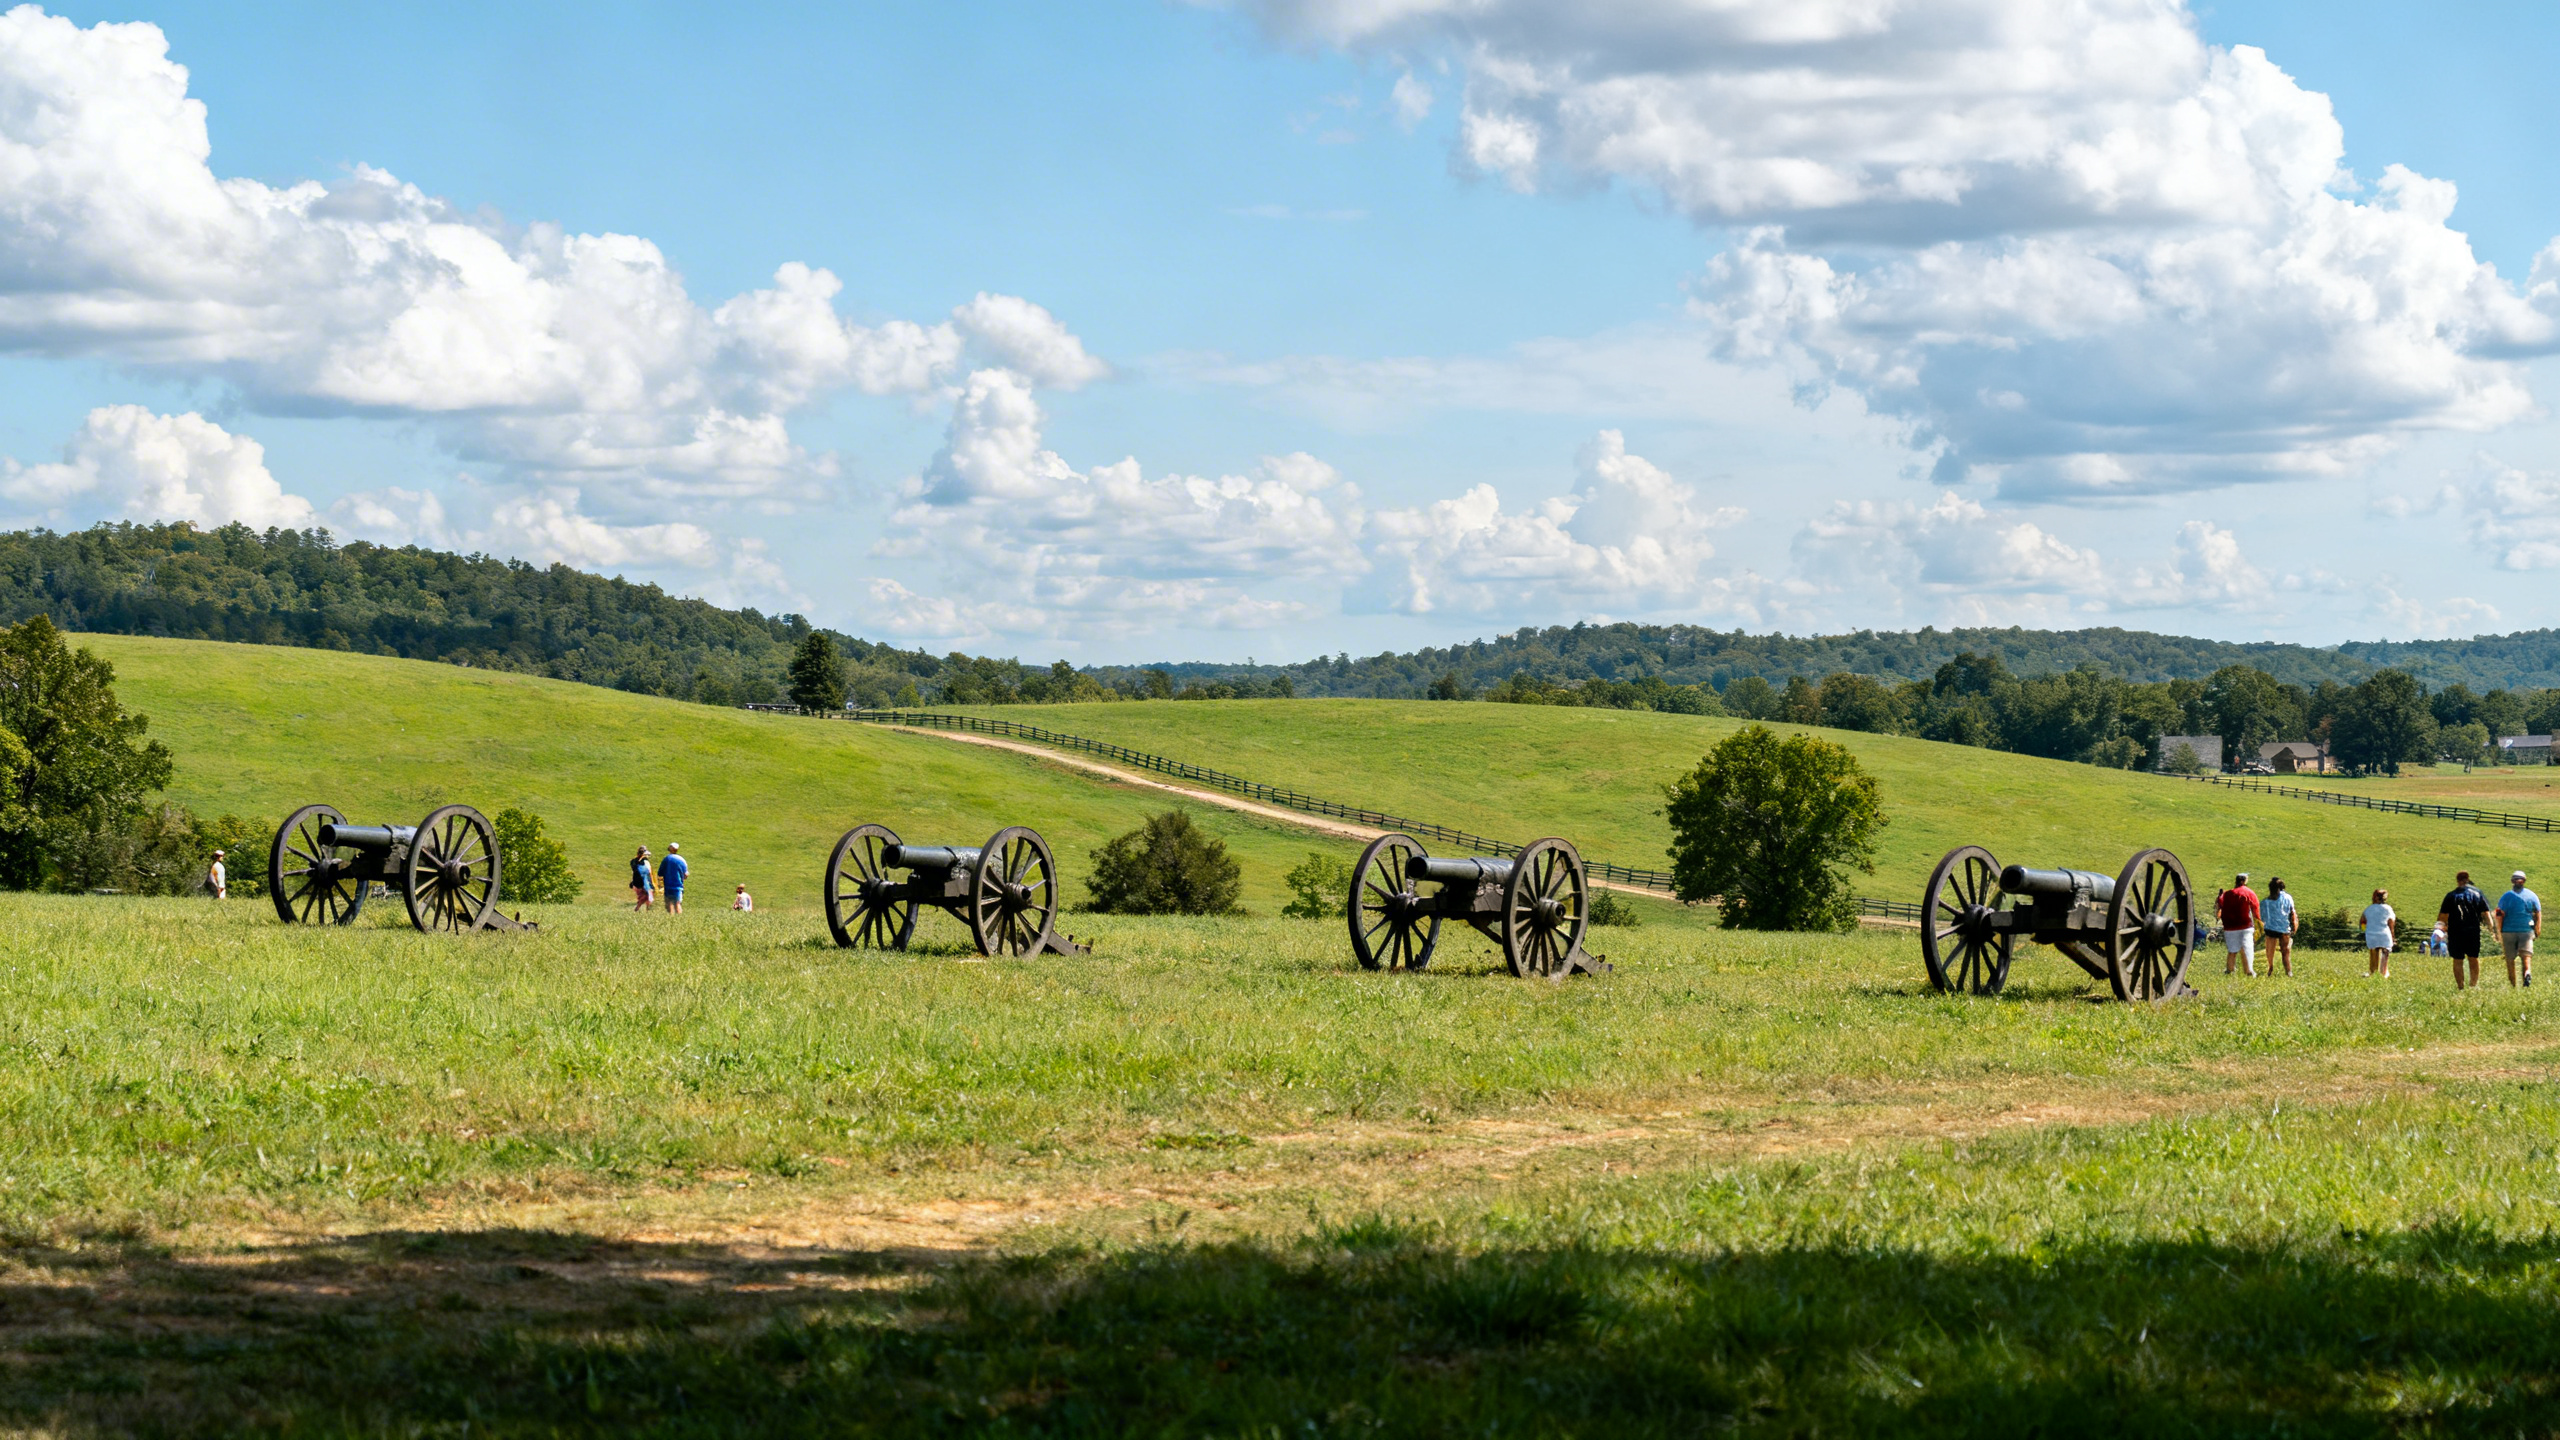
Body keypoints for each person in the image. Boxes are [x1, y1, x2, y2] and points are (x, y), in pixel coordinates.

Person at [2438, 870, 2490, 991]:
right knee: (2473, 958)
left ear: (2458, 881)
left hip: (2456, 932)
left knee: (2457, 959)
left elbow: (2443, 917)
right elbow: (2486, 914)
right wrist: (2491, 929)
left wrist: (2442, 929)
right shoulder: (2477, 894)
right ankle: (2473, 985)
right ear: (2468, 880)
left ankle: (2460, 986)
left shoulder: (2450, 896)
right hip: (2473, 931)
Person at [2499, 870, 2541, 988]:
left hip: (2508, 931)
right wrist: (2538, 928)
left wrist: (2499, 930)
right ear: (2524, 881)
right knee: (2526, 955)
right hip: (2526, 930)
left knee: (2510, 959)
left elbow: (2500, 914)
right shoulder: (2532, 895)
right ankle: (2527, 973)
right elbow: (2538, 913)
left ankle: (2513, 985)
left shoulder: (2506, 896)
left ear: (2512, 881)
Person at [2219, 873, 2260, 977]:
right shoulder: (2249, 892)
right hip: (2245, 925)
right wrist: (2259, 921)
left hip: (2229, 926)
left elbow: (2220, 904)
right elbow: (2255, 909)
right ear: (2245, 881)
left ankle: (2229, 971)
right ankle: (2249, 971)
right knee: (2246, 949)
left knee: (2232, 950)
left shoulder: (2227, 894)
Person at [2261, 877, 2296, 977]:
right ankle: (2288, 971)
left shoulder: (2265, 902)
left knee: (2269, 952)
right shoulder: (2288, 898)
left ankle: (2269, 970)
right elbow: (2292, 912)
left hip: (2270, 929)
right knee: (2285, 951)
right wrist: (2293, 926)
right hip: (2284, 928)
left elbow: (2263, 917)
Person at [2362, 888, 2398, 978]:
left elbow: (2362, 921)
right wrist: (2393, 937)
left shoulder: (2369, 909)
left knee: (2373, 953)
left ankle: (2372, 972)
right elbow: (2391, 924)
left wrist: (2365, 931)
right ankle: (2383, 973)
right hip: (2384, 934)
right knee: (2385, 953)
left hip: (2371, 934)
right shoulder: (2388, 909)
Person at [659, 842, 688, 916]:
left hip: (668, 885)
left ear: (670, 849)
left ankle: (671, 919)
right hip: (678, 886)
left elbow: (660, 873)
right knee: (678, 903)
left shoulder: (667, 859)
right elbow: (686, 874)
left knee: (670, 904)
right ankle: (679, 920)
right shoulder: (682, 860)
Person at [630, 845, 654, 911]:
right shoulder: (641, 862)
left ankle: (645, 909)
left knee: (646, 896)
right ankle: (638, 908)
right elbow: (648, 872)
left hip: (638, 882)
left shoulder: (634, 861)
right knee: (646, 896)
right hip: (641, 882)